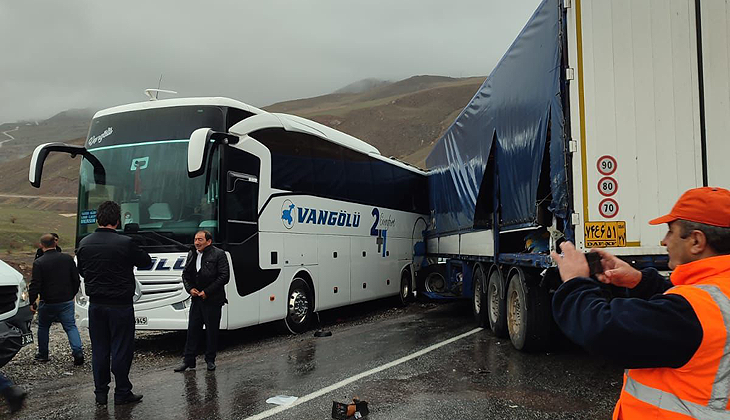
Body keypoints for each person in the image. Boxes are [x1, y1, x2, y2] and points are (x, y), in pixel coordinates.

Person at [551, 187, 730, 420]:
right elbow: (700, 313)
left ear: (696, 241)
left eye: (670, 232)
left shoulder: (690, 312)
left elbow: (603, 330)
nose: (664, 241)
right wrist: (640, 281)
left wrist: (576, 283)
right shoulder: (714, 297)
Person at [76, 201, 151, 406]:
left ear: (98, 219)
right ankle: (122, 392)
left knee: (100, 349)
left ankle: (100, 393)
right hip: (120, 304)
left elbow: (82, 271)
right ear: (117, 220)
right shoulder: (125, 243)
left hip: (96, 305)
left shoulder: (84, 244)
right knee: (121, 348)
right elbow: (146, 262)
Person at [174, 230, 229, 372]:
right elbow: (185, 274)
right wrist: (190, 289)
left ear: (209, 241)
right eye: (195, 239)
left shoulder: (219, 254)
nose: (197, 242)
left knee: (211, 331)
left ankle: (210, 360)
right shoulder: (192, 253)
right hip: (196, 299)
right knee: (192, 330)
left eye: (200, 239)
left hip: (213, 300)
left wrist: (207, 292)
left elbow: (224, 276)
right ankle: (188, 360)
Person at [29, 233, 83, 365]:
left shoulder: (39, 262)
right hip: (65, 300)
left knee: (43, 327)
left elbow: (35, 284)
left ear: (41, 245)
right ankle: (78, 352)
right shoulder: (67, 259)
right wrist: (71, 294)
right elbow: (76, 279)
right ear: (55, 243)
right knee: (70, 327)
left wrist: (32, 301)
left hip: (47, 301)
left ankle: (43, 354)